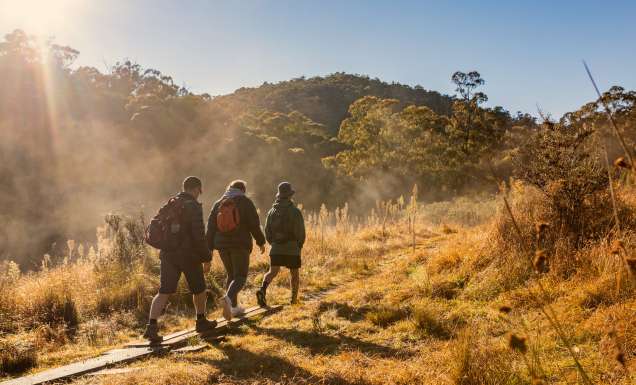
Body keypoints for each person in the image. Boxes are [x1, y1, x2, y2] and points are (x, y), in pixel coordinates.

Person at [143, 176, 217, 343]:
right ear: (197, 188)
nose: (200, 193)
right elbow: (198, 236)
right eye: (200, 190)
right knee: (199, 289)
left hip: (168, 254)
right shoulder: (193, 207)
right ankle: (201, 321)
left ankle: (151, 327)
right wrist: (207, 257)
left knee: (164, 291)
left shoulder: (170, 203)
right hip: (189, 256)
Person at [206, 180, 266, 320]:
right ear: (243, 190)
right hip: (239, 244)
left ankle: (233, 308)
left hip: (221, 245)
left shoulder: (218, 204)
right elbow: (254, 224)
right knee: (240, 276)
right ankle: (228, 299)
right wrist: (261, 241)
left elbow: (210, 229)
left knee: (231, 275)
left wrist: (209, 249)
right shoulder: (245, 202)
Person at [257, 182, 305, 307]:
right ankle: (293, 300)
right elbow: (301, 232)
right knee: (294, 274)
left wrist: (273, 243)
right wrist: (299, 245)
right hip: (292, 248)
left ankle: (262, 289)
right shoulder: (295, 211)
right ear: (290, 195)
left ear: (279, 195)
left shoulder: (271, 211)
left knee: (272, 272)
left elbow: (267, 231)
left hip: (276, 248)